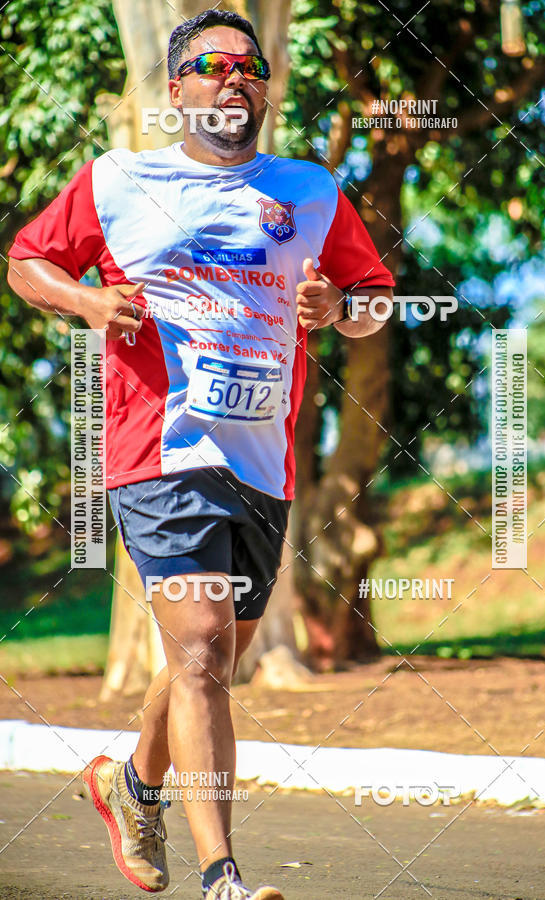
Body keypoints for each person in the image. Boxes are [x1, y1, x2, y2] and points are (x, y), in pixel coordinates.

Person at [7, 9, 394, 899]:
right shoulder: (117, 181)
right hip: (156, 451)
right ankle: (222, 874)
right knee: (199, 651)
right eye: (212, 65)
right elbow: (25, 261)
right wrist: (88, 305)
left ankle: (130, 785)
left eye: (250, 65)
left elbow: (375, 298)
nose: (234, 77)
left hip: (262, 464)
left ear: (265, 85)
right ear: (175, 89)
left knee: (211, 659)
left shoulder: (311, 190)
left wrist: (339, 309)